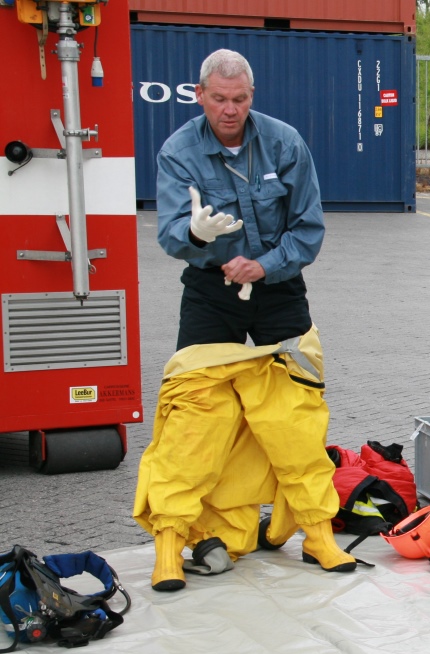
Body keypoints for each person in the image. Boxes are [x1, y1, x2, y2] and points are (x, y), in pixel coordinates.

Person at [134, 49, 354, 591]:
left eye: (238, 100)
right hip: (211, 295)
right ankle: (171, 540)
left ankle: (317, 532)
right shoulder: (178, 151)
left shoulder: (284, 143)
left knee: (296, 415)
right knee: (194, 419)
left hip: (278, 290)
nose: (228, 110)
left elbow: (308, 230)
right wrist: (196, 236)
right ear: (199, 94)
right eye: (218, 99)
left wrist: (265, 263)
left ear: (251, 97)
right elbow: (168, 234)